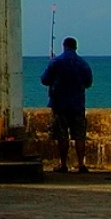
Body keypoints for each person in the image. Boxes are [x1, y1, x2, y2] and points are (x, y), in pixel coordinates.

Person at [41, 36, 93, 172]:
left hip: (59, 104)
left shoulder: (56, 62)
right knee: (80, 135)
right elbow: (88, 83)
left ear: (64, 46)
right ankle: (81, 164)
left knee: (62, 135)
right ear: (76, 47)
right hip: (77, 104)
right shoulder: (83, 63)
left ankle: (63, 164)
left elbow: (45, 80)